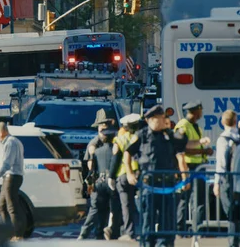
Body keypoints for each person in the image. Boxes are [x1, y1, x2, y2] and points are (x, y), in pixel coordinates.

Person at [125, 105, 187, 247]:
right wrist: (129, 173)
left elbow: (181, 151)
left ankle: (165, 244)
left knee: (168, 218)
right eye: (161, 118)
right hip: (149, 184)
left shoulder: (169, 135)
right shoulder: (141, 135)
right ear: (151, 120)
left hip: (167, 184)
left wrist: (184, 176)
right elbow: (127, 153)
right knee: (148, 218)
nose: (164, 120)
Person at [175, 100, 214, 233]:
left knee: (196, 199)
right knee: (190, 200)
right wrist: (203, 151)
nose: (201, 113)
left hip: (198, 166)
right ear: (195, 111)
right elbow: (182, 148)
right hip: (189, 167)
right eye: (200, 110)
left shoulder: (195, 126)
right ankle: (185, 229)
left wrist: (205, 151)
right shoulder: (183, 126)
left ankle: (195, 228)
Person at [78, 128, 122, 240]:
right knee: (113, 208)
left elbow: (92, 168)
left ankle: (85, 233)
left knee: (96, 208)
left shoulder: (97, 151)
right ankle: (110, 232)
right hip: (112, 182)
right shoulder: (116, 150)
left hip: (99, 182)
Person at [108, 113, 142, 241]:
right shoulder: (142, 137)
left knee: (126, 205)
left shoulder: (120, 139)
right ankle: (147, 229)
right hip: (141, 173)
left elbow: (115, 158)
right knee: (143, 204)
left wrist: (111, 176)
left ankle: (130, 232)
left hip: (124, 175)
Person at [0, 122, 25, 241]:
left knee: (11, 206)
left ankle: (18, 234)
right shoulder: (10, 142)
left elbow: (7, 163)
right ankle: (8, 231)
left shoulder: (11, 142)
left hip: (12, 177)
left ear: (0, 132)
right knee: (0, 205)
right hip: (9, 177)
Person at [213, 110, 239, 247]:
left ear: (223, 122)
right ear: (235, 121)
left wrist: (216, 183)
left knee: (231, 212)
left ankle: (233, 241)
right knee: (239, 211)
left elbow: (221, 163)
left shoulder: (223, 139)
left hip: (227, 180)